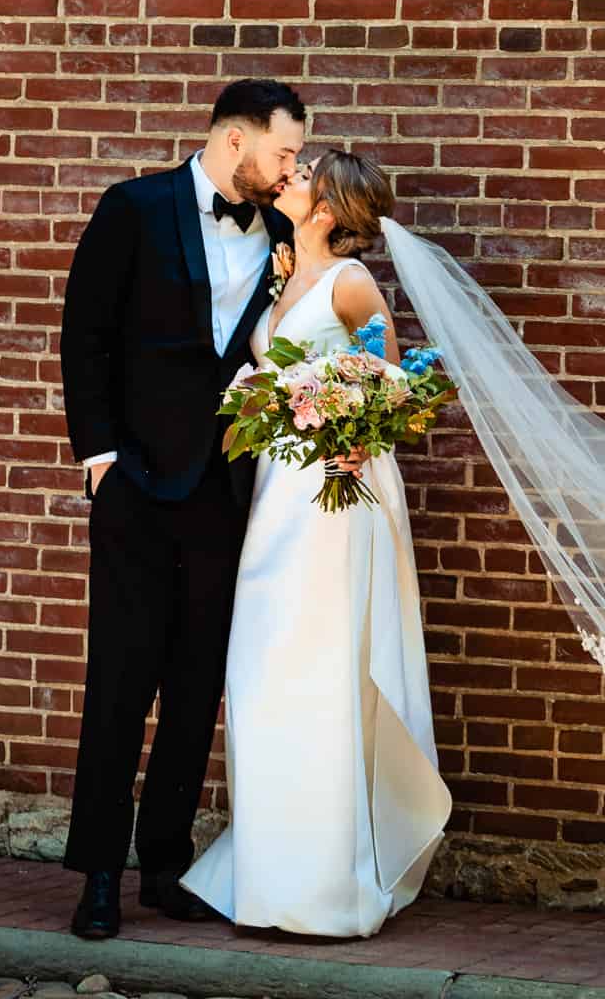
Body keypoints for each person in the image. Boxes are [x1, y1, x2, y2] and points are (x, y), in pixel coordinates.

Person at [59, 78, 306, 942]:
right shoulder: (133, 207)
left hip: (225, 492)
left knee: (197, 687)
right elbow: (83, 332)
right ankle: (96, 872)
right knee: (119, 684)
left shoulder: (282, 233)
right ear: (233, 140)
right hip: (133, 489)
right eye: (283, 153)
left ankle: (163, 864)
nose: (289, 172)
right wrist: (99, 460)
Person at [182, 149, 451, 939]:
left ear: (327, 208)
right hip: (277, 492)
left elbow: (394, 390)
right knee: (265, 667)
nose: (287, 179)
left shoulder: (349, 284)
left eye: (302, 178)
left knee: (323, 668)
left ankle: (327, 886)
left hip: (337, 497)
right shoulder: (280, 273)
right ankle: (271, 871)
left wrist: (357, 443)